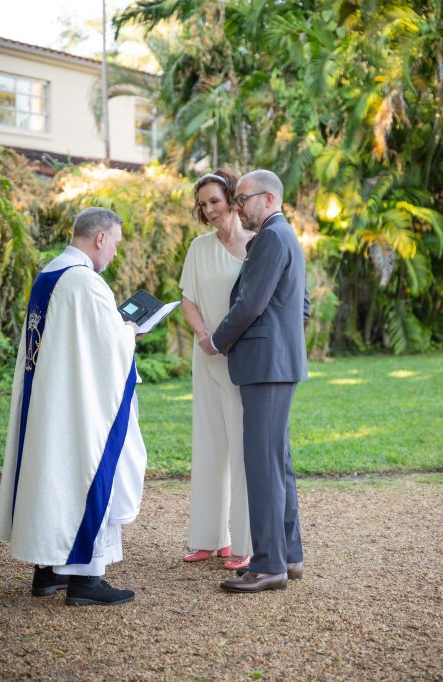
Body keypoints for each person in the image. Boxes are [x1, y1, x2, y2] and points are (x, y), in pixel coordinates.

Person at [0, 207, 147, 606]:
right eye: (114, 243)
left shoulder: (50, 274)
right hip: (79, 408)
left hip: (50, 399)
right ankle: (85, 580)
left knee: (49, 476)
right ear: (100, 239)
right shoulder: (85, 282)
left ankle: (47, 572)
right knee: (83, 472)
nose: (114, 252)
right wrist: (131, 329)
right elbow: (110, 347)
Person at [199, 169, 311, 593]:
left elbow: (250, 304)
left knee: (262, 465)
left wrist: (219, 340)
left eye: (242, 198)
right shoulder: (287, 237)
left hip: (266, 366)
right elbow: (301, 306)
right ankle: (290, 555)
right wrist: (282, 342)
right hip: (277, 362)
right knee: (276, 461)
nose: (237, 206)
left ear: (267, 199)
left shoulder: (268, 238)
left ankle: (267, 566)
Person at [179, 169, 253, 570]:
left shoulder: (259, 245)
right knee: (208, 447)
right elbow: (188, 299)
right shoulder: (198, 247)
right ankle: (209, 538)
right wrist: (205, 336)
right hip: (205, 356)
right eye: (203, 204)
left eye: (214, 201)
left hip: (242, 360)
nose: (208, 210)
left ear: (232, 199)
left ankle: (245, 544)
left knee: (243, 451)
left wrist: (226, 341)